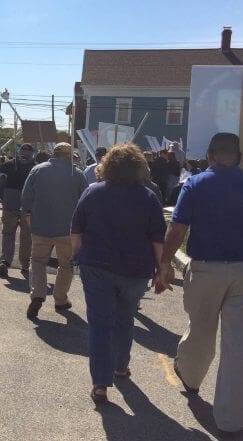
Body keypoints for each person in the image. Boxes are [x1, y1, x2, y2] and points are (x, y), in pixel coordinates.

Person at [157, 132, 243, 435]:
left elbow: (177, 228)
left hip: (206, 268)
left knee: (201, 330)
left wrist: (164, 263)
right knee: (237, 347)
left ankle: (191, 378)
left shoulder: (196, 183)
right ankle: (231, 419)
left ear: (210, 155)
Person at [70, 143, 166, 403]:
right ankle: (120, 366)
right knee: (125, 319)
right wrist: (161, 269)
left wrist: (77, 257)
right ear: (138, 168)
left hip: (97, 267)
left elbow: (76, 230)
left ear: (107, 166)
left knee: (99, 324)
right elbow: (158, 238)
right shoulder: (148, 197)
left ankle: (100, 383)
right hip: (135, 270)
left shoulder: (93, 192)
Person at [22, 142, 88, 319]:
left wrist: (28, 215)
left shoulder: (37, 170)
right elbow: (85, 203)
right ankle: (60, 299)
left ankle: (37, 294)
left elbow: (26, 196)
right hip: (68, 229)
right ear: (69, 156)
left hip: (41, 225)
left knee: (37, 261)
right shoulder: (78, 175)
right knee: (66, 265)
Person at [0, 143, 35, 278]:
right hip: (27, 207)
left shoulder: (7, 165)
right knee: (26, 237)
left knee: (9, 234)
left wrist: (1, 198)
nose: (25, 153)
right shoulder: (36, 168)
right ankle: (24, 265)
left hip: (12, 204)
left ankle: (6, 261)